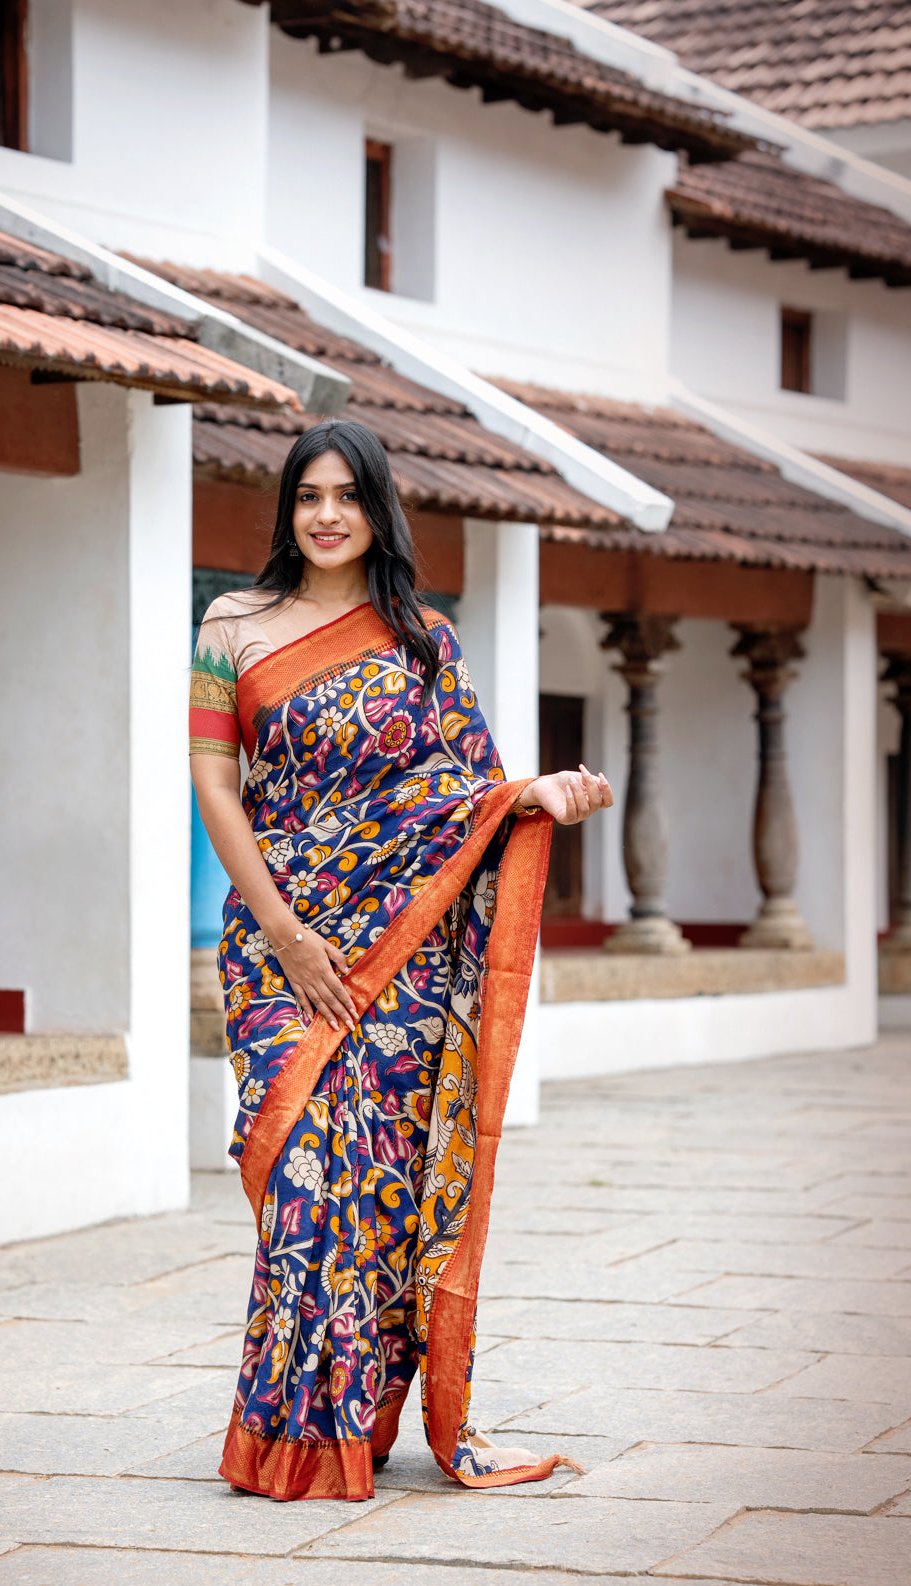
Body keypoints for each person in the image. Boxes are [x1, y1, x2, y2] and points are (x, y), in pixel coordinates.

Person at [190, 418, 612, 1502]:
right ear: (286, 510)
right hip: (279, 949)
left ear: (378, 508)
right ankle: (290, 1428)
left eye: (346, 494)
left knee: (369, 1189)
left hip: (398, 957)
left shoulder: (421, 636)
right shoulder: (230, 625)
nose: (325, 514)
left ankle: (349, 1424)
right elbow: (214, 785)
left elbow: (463, 794)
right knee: (298, 1180)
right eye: (305, 496)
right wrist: (283, 928)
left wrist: (533, 797)